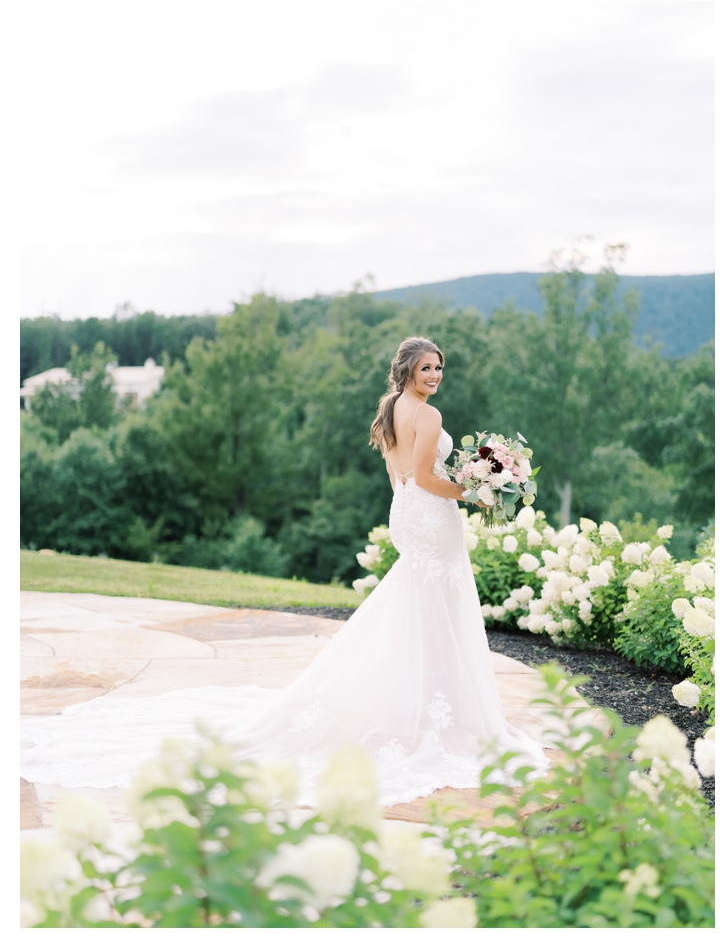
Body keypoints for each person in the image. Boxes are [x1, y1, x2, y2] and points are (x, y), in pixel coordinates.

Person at [20, 336, 546, 806]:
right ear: (407, 368)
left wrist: (426, 502)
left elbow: (400, 477)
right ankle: (438, 715)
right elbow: (428, 477)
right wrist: (475, 492)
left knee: (419, 609)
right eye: (426, 368)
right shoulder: (427, 417)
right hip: (429, 514)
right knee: (433, 612)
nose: (434, 376)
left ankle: (422, 705)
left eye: (439, 369)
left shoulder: (390, 410)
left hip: (405, 513)